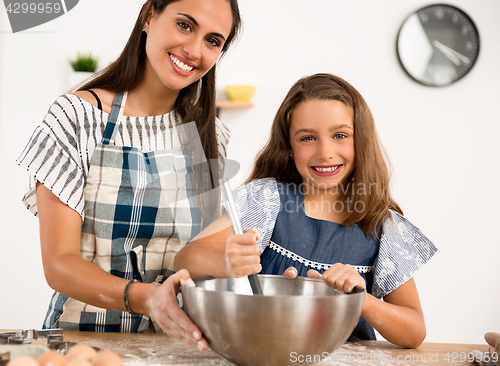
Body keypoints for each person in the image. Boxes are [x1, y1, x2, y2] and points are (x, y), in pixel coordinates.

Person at [16, 0, 241, 350]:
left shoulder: (211, 136)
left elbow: (197, 258)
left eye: (213, 40)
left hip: (177, 349)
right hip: (83, 345)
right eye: (185, 25)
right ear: (149, 15)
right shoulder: (76, 119)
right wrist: (145, 298)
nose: (195, 50)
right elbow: (60, 264)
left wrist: (228, 261)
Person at [174, 73, 437, 349]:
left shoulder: (383, 227)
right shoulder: (266, 201)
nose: (325, 152)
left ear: (361, 140)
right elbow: (185, 260)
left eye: (340, 135)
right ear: (289, 146)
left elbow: (414, 332)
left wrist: (362, 299)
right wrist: (225, 264)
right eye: (308, 138)